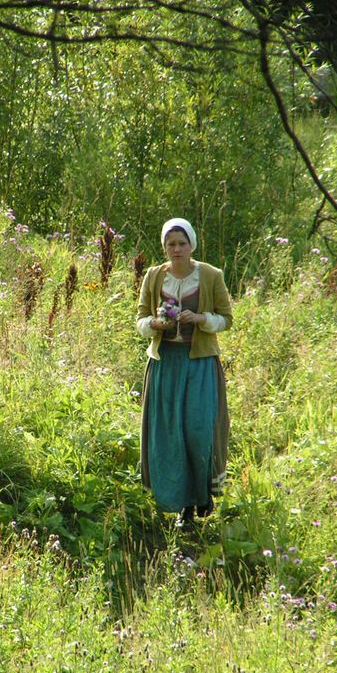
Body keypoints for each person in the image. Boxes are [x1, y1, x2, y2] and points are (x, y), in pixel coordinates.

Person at [136, 218, 233, 525]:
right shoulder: (154, 276)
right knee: (170, 435)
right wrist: (155, 324)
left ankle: (203, 496)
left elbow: (226, 319)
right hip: (165, 364)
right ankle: (182, 506)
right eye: (171, 244)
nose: (176, 249)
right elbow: (140, 319)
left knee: (198, 431)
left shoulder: (211, 275)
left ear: (192, 245)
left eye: (181, 243)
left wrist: (202, 319)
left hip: (199, 364)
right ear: (164, 247)